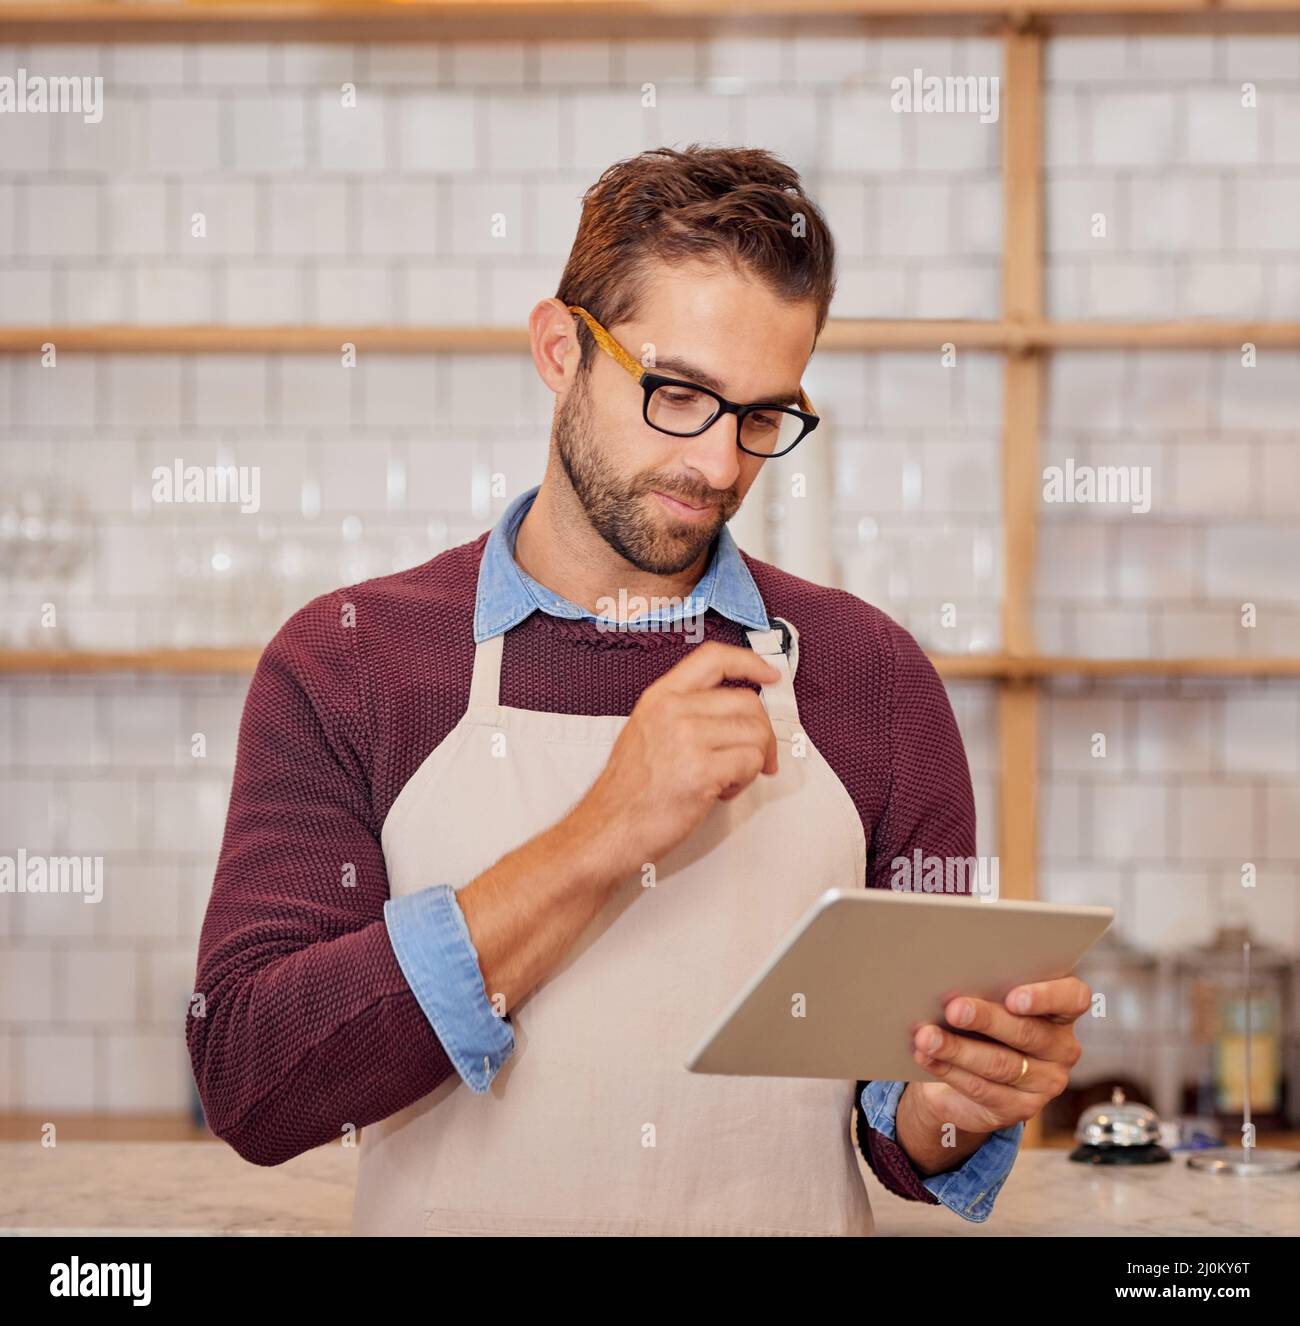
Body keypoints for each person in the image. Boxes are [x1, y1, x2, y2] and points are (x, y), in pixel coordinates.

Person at [188, 144, 1089, 1237]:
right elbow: (252, 1078)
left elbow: (894, 1117)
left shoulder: (873, 677)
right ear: (560, 349)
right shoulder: (350, 663)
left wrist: (953, 1105)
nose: (717, 467)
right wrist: (606, 830)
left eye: (761, 418)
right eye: (679, 395)